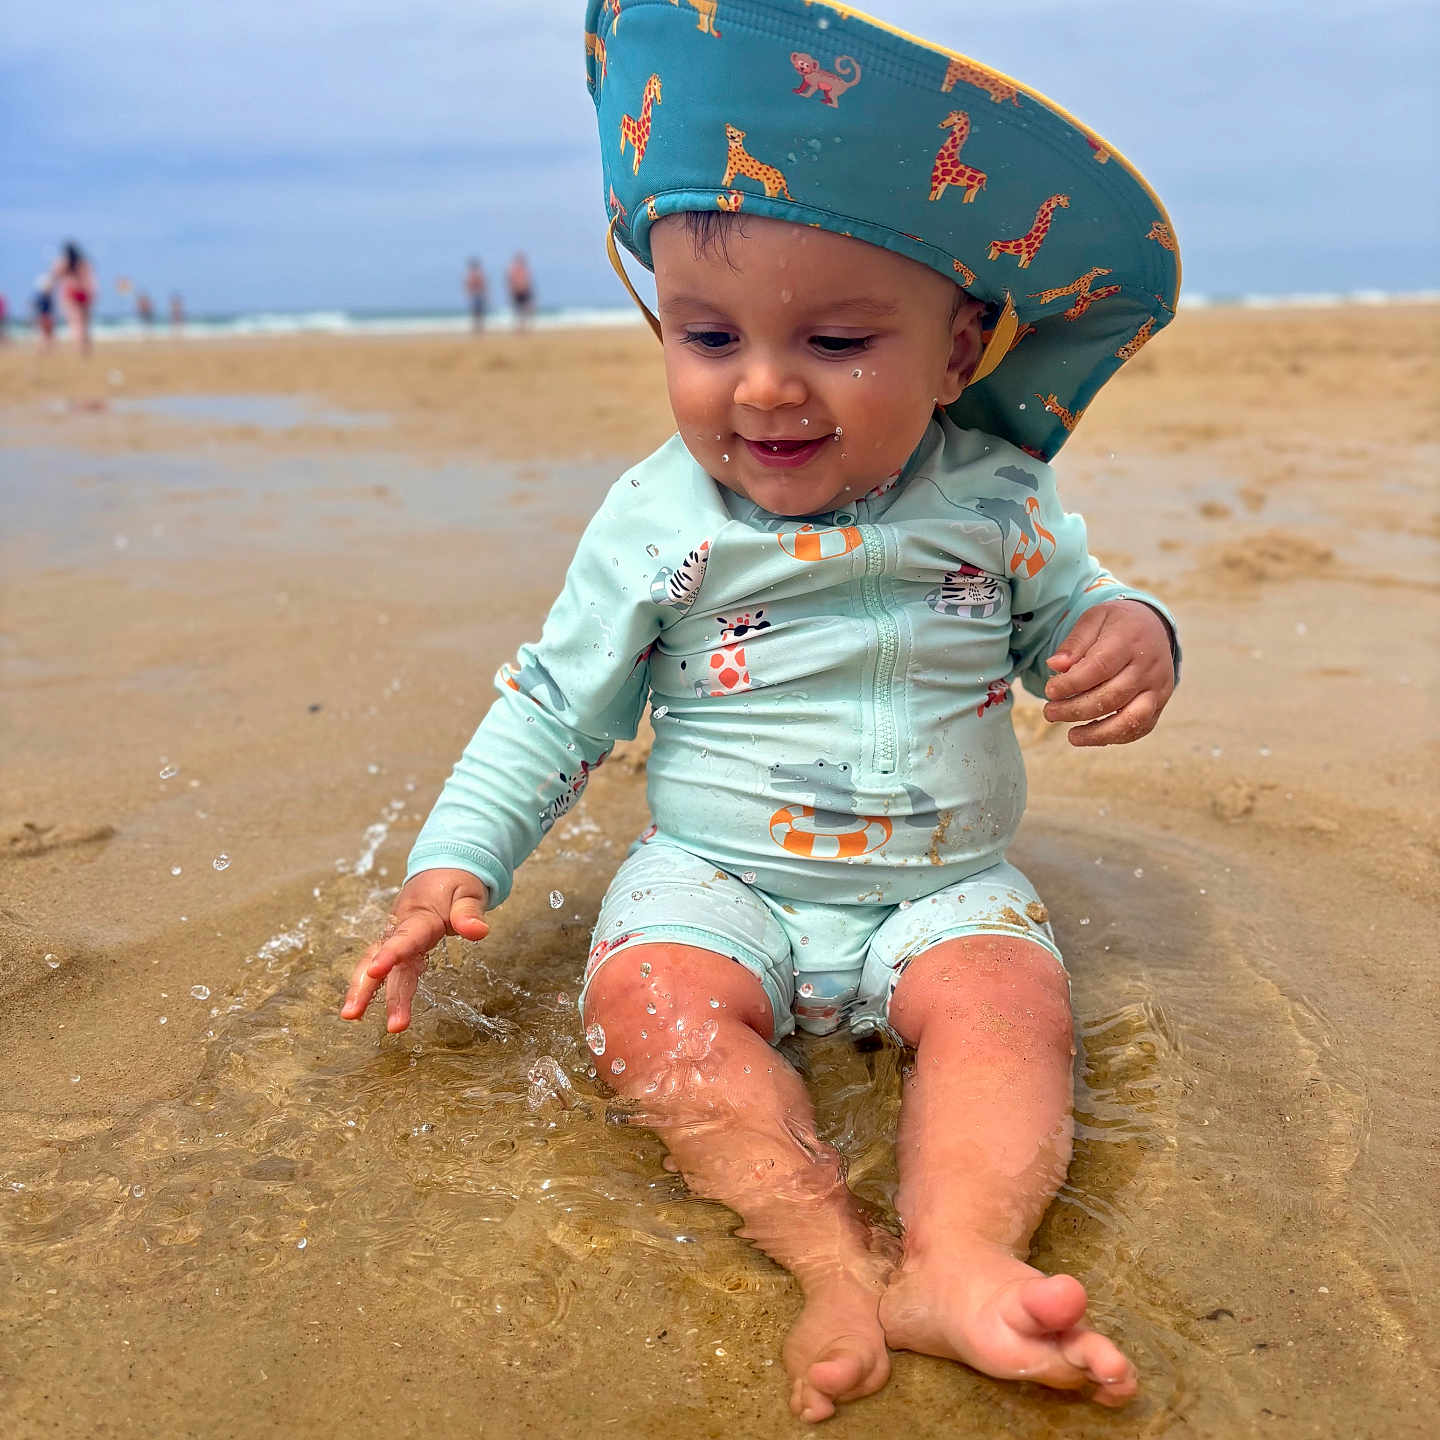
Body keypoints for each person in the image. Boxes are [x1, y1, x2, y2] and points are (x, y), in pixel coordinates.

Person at [343, 0, 1181, 1423]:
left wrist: (1131, 636)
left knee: (1011, 1011)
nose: (766, 385)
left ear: (962, 348)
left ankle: (960, 1255)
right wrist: (453, 866)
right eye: (709, 334)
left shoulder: (997, 499)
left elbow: (1076, 623)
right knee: (648, 1008)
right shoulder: (658, 522)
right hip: (715, 877)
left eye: (841, 340)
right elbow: (556, 710)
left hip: (944, 886)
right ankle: (826, 1258)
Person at [48, 241, 96, 355]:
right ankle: (84, 347)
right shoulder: (82, 263)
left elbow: (53, 277)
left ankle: (80, 348)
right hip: (83, 293)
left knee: (76, 323)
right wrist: (92, 293)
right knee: (84, 323)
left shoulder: (64, 263)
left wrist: (48, 290)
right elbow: (90, 280)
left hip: (71, 293)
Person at [506, 250, 534, 329]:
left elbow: (528, 281)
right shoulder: (513, 270)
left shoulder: (524, 270)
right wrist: (511, 290)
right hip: (517, 292)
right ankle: (519, 325)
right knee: (518, 309)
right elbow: (509, 280)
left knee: (526, 308)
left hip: (524, 291)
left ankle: (524, 324)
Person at [464, 257, 488, 333]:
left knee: (479, 312)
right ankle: (477, 327)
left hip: (479, 295)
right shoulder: (471, 275)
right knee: (476, 312)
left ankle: (479, 327)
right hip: (475, 295)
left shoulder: (478, 274)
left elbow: (483, 284)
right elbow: (468, 285)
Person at [31, 275, 55, 347]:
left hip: (46, 317)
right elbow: (35, 307)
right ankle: (43, 347)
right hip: (42, 317)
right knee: (43, 333)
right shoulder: (41, 297)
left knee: (47, 334)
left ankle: (46, 347)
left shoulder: (48, 297)